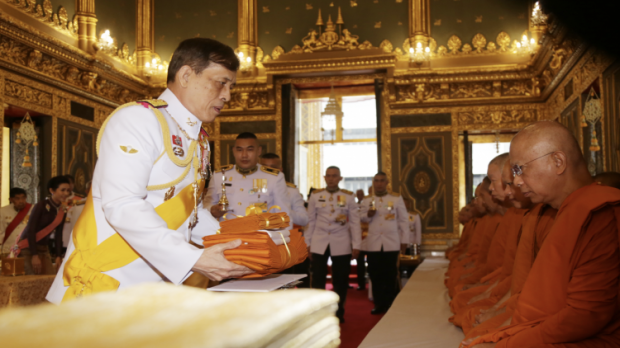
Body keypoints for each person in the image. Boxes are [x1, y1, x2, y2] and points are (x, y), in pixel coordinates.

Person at [47, 38, 256, 304]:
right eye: (221, 82)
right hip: (106, 282)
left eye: (231, 86)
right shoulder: (139, 119)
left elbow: (189, 214)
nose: (227, 95)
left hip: (152, 291)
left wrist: (238, 246)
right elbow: (122, 205)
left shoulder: (199, 139)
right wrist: (193, 258)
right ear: (186, 75)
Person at [467, 121, 620, 347]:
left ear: (557, 162)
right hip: (545, 322)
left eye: (520, 169)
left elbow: (587, 314)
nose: (517, 182)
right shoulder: (555, 211)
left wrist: (513, 340)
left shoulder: (600, 212)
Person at [306, 166, 362, 323]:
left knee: (340, 280)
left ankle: (338, 312)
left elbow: (355, 223)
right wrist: (307, 243)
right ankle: (318, 313)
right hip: (319, 241)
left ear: (340, 178)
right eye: (328, 176)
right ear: (324, 178)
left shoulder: (348, 197)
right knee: (318, 279)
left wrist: (356, 244)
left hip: (341, 241)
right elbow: (310, 221)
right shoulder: (316, 196)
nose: (331, 178)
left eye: (334, 176)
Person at [204, 133, 291, 226]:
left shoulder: (274, 177)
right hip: (227, 235)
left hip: (260, 236)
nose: (244, 155)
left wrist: (282, 239)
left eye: (250, 150)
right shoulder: (219, 175)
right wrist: (212, 210)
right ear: (233, 151)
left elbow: (284, 217)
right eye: (239, 150)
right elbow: (206, 206)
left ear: (259, 151)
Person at [360, 172, 410, 314]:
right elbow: (361, 218)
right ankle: (379, 304)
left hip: (391, 242)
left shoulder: (395, 198)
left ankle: (390, 303)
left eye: (382, 181)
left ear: (387, 182)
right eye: (376, 181)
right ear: (373, 183)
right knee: (375, 274)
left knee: (390, 274)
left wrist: (404, 241)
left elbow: (403, 220)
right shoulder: (367, 199)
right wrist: (367, 215)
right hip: (373, 243)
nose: (379, 183)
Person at [259, 152, 310, 286]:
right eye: (265, 167)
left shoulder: (291, 191)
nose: (269, 171)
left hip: (283, 245)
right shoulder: (253, 187)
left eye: (273, 167)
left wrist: (283, 209)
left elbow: (304, 220)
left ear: (280, 170)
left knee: (281, 286)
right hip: (258, 244)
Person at [18, 176, 70, 275]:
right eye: (63, 190)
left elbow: (58, 235)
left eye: (68, 190)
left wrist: (59, 256)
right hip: (28, 249)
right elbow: (30, 230)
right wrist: (34, 255)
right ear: (52, 190)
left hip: (44, 249)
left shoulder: (62, 209)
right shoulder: (41, 205)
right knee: (32, 282)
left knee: (49, 280)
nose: (66, 193)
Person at [0, 188, 33, 255]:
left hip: (27, 248)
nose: (21, 201)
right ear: (11, 200)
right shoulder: (3, 211)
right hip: (8, 249)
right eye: (17, 198)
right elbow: (1, 231)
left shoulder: (33, 209)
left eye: (23, 198)